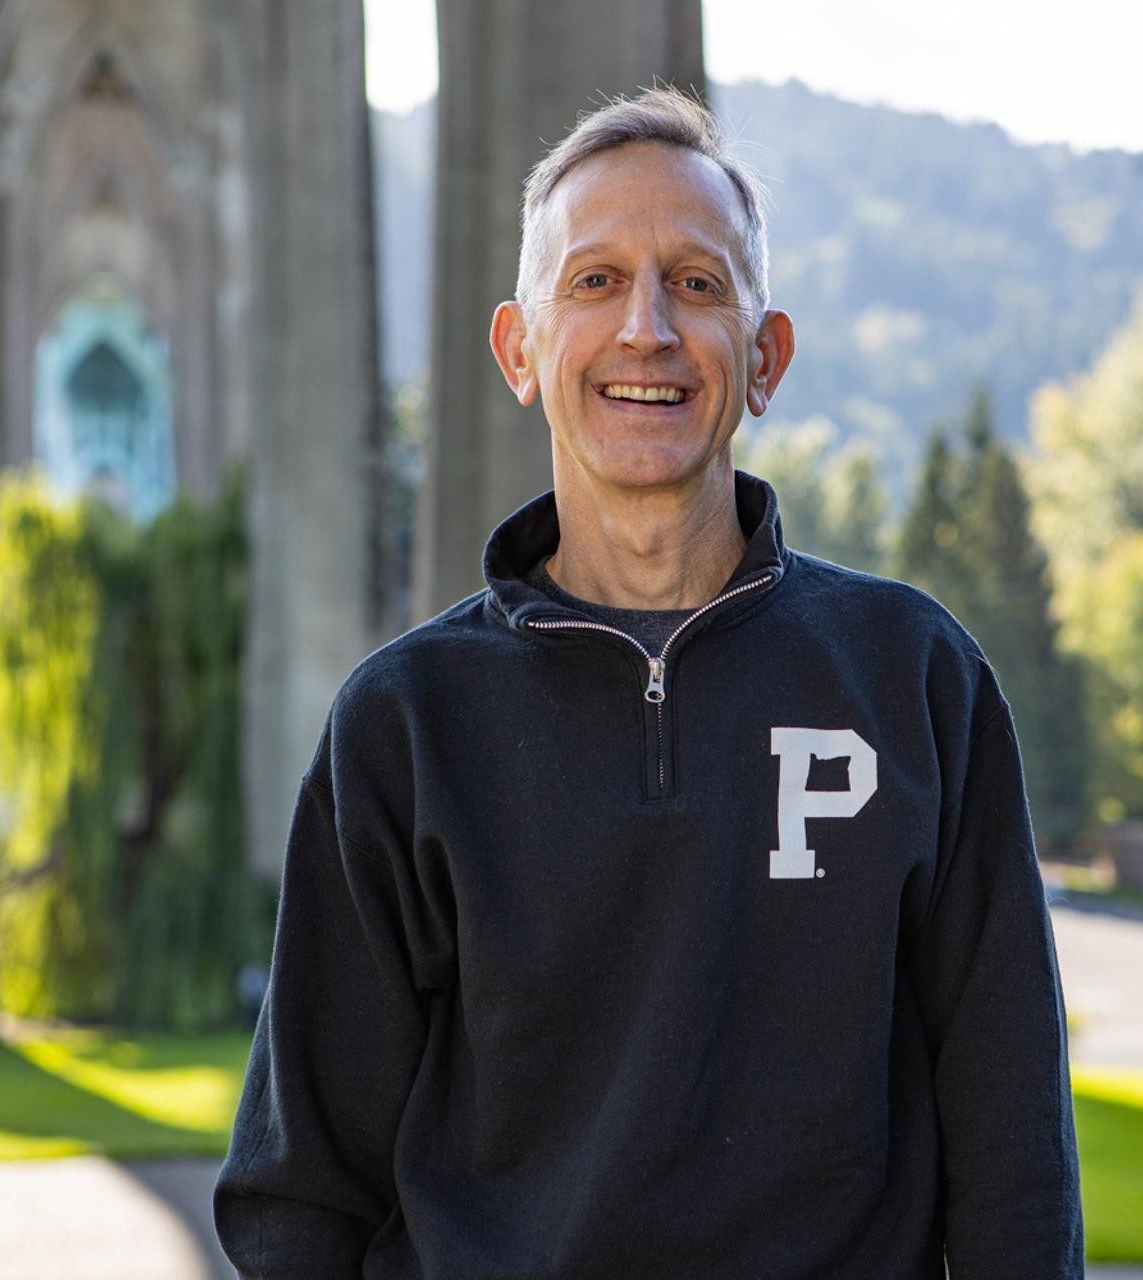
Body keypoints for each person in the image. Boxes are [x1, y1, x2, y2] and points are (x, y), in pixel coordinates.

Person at [213, 85, 1083, 1278]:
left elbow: (1015, 1158)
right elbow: (300, 1190)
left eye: (697, 282)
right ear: (521, 350)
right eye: (594, 280)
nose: (646, 330)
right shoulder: (404, 729)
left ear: (764, 358)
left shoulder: (916, 681)